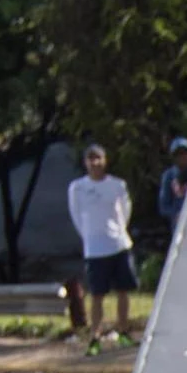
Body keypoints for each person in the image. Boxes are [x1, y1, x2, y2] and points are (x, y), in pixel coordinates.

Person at [62, 142, 138, 342]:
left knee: (123, 291)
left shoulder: (117, 185)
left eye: (98, 158)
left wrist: (117, 231)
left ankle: (123, 331)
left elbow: (125, 210)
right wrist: (89, 236)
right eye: (91, 158)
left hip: (118, 244)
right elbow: (76, 214)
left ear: (105, 161)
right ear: (86, 162)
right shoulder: (78, 188)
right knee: (97, 294)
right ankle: (95, 333)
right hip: (95, 249)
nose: (95, 162)